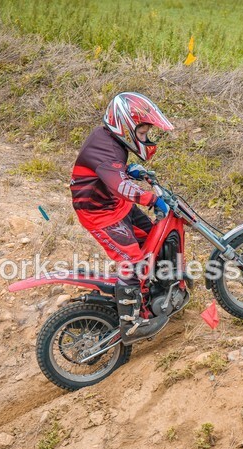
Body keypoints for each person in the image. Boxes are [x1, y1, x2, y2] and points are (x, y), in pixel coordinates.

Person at [70, 92, 173, 345]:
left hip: (116, 206)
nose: (145, 138)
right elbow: (120, 186)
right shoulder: (104, 147)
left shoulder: (110, 140)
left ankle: (156, 293)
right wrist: (152, 199)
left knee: (153, 239)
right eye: (142, 133)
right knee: (131, 260)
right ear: (125, 125)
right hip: (99, 214)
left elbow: (112, 172)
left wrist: (129, 169)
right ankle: (131, 325)